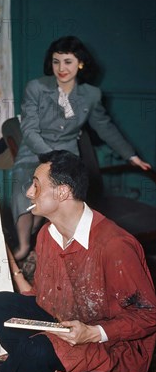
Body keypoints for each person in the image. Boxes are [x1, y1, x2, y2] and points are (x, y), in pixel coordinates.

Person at [0, 150, 156, 372]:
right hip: (65, 324)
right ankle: (53, 371)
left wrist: (94, 332)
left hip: (112, 343)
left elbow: (149, 316)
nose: (29, 193)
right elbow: (44, 298)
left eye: (36, 185)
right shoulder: (46, 234)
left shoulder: (115, 245)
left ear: (63, 192)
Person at [11, 36, 151, 261]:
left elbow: (105, 127)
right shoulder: (36, 88)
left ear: (80, 63)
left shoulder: (91, 95)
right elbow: (28, 130)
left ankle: (43, 239)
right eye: (56, 62)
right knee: (23, 192)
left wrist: (131, 155)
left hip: (68, 156)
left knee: (58, 198)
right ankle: (23, 245)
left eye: (68, 62)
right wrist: (47, 155)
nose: (61, 68)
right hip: (34, 152)